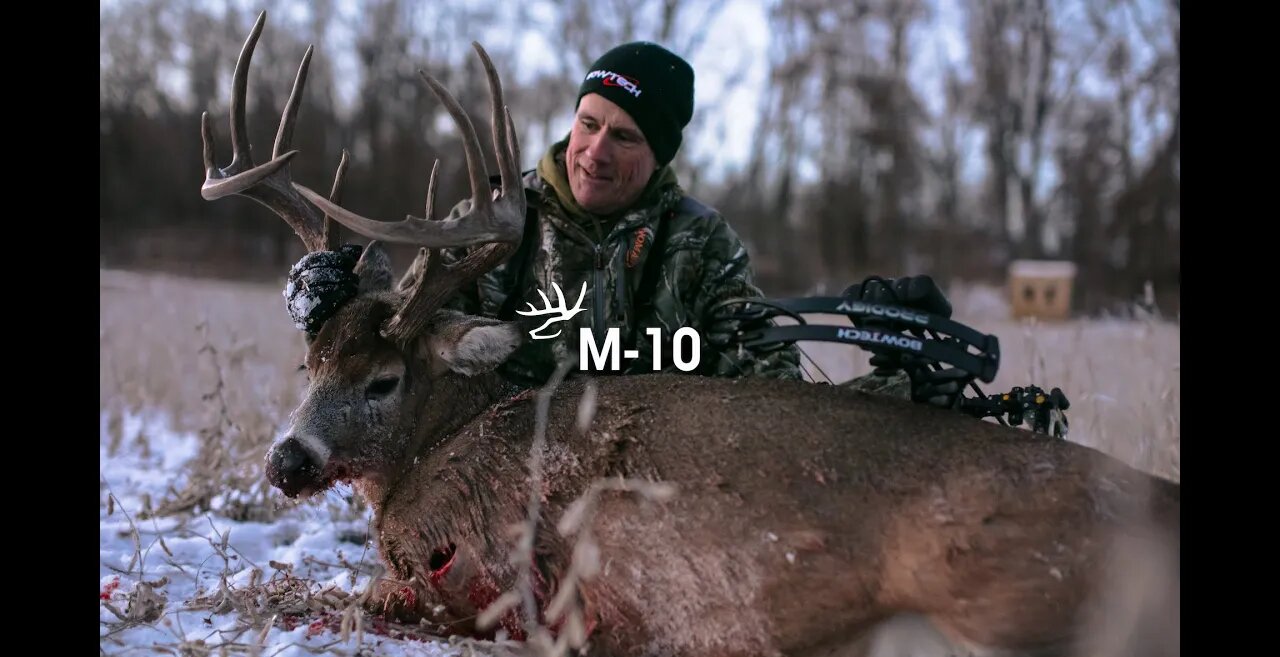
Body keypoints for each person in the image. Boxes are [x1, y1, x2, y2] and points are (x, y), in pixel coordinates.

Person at [285, 40, 954, 397]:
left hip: (655, 483)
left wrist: (897, 376)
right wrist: (327, 301)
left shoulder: (702, 245)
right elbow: (400, 335)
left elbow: (774, 392)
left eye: (626, 138)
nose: (596, 153)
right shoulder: (490, 227)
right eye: (589, 123)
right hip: (502, 476)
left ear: (658, 154)